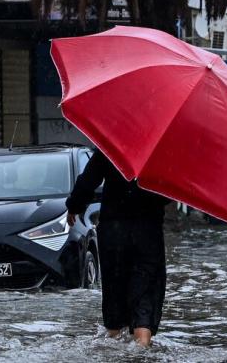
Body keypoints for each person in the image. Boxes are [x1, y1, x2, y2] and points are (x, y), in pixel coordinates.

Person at [66, 149, 170, 347]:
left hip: (114, 233)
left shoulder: (112, 145)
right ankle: (142, 350)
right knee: (145, 298)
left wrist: (74, 206)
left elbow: (88, 180)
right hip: (148, 232)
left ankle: (114, 351)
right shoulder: (161, 152)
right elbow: (169, 193)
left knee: (115, 296)